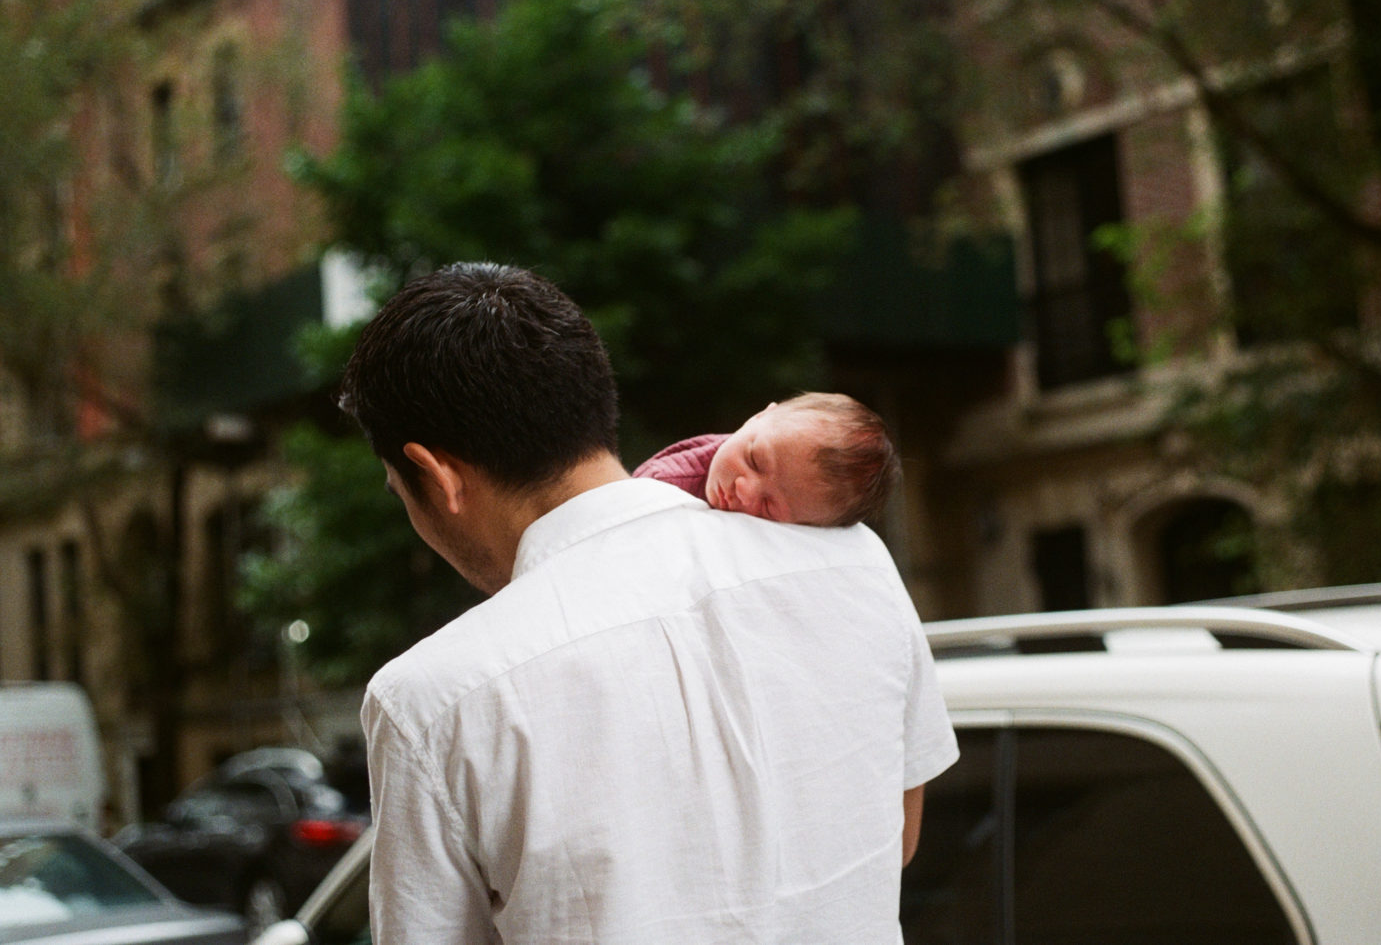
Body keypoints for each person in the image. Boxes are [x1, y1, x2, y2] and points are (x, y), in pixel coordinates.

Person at [340, 263, 958, 945]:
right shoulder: (855, 560)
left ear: (437, 476)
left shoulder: (429, 701)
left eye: (400, 491)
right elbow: (897, 838)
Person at [631, 393, 899, 527]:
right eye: (753, 460)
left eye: (768, 506)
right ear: (758, 416)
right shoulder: (661, 488)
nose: (743, 489)